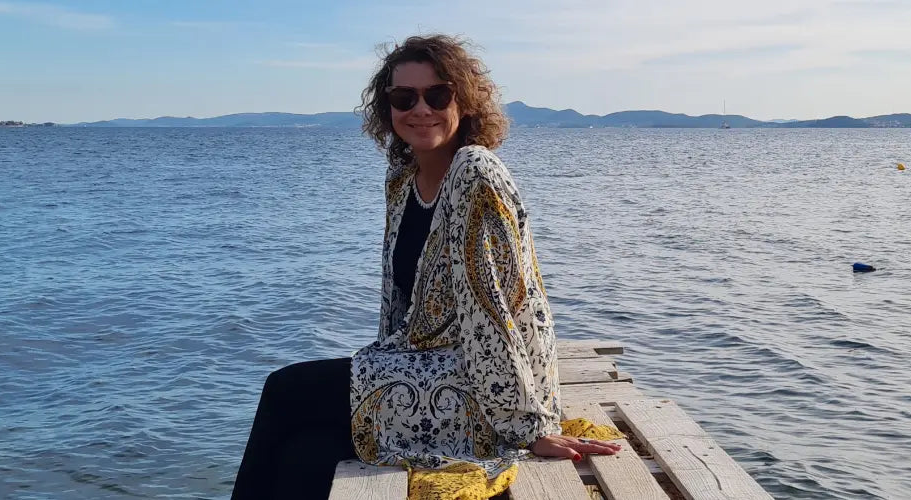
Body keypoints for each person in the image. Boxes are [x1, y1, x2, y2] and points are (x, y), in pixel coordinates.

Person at [232, 34, 620, 500]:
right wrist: (381, 363)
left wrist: (528, 429)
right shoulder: (402, 180)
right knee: (305, 453)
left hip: (486, 390)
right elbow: (397, 304)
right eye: (404, 97)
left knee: (285, 389)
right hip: (424, 369)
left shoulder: (475, 172)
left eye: (437, 95)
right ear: (387, 107)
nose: (421, 109)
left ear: (465, 102)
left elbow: (493, 311)